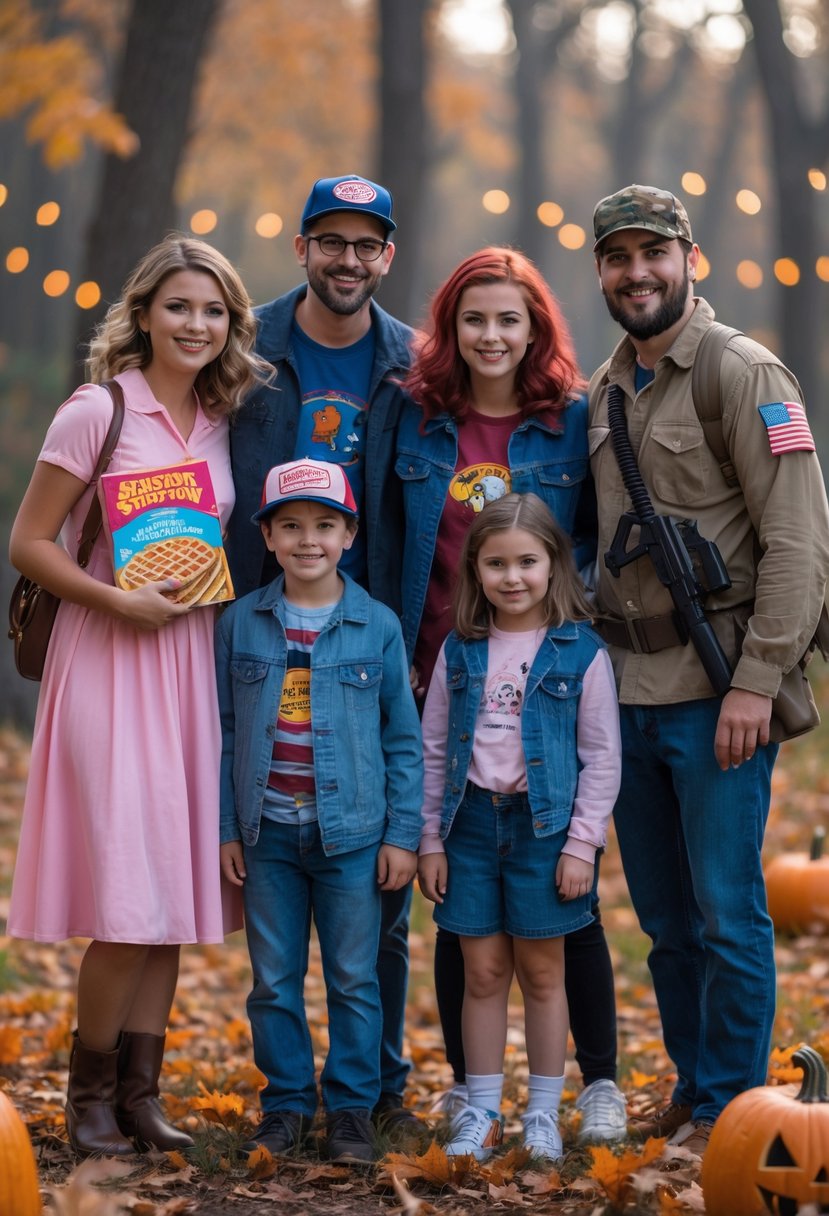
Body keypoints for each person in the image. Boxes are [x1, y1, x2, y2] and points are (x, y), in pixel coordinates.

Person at [6, 235, 268, 1157]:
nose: (196, 325)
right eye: (179, 307)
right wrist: (117, 597)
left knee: (171, 891)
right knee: (127, 891)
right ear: (144, 313)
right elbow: (29, 543)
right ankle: (87, 1098)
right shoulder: (98, 411)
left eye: (214, 311)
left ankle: (140, 1096)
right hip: (110, 660)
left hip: (190, 662)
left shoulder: (221, 419)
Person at [588, 183, 829, 1156]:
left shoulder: (746, 373)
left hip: (715, 693)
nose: (636, 272)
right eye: (618, 257)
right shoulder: (606, 389)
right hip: (627, 695)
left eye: (654, 253)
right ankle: (695, 1090)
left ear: (689, 257)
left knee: (729, 910)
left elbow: (797, 541)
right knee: (665, 919)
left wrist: (756, 680)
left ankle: (733, 1104)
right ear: (601, 270)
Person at [397, 247, 628, 1142]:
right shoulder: (413, 417)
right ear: (449, 328)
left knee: (554, 938)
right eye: (473, 318)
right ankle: (474, 1093)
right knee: (469, 939)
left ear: (535, 329)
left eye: (509, 318)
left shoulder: (569, 422)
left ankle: (581, 1087)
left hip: (549, 691)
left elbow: (593, 534)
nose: (490, 335)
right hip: (441, 658)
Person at [225, 175, 418, 1128]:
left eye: (366, 245)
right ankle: (292, 1101)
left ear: (387, 256)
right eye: (330, 241)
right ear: (301, 246)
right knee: (277, 963)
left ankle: (371, 1092)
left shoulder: (412, 365)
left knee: (370, 927)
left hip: (371, 634)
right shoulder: (244, 347)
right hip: (253, 623)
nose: (348, 260)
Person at [216, 458, 423, 1165]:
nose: (309, 540)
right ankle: (285, 1106)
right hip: (267, 830)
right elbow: (226, 732)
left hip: (354, 838)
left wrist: (402, 836)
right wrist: (225, 829)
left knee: (354, 977)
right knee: (273, 980)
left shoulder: (378, 627)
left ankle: (352, 1111)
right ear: (268, 537)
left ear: (348, 535)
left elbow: (403, 740)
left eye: (325, 526)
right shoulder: (241, 622)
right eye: (291, 526)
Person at [418, 493, 621, 1161]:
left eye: (527, 562)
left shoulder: (580, 653)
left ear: (553, 565)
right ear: (474, 570)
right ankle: (479, 1109)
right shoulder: (459, 650)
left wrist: (581, 844)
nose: (512, 578)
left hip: (544, 832)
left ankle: (540, 1112)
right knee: (479, 973)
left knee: (541, 973)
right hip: (470, 826)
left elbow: (601, 757)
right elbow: (433, 748)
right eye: (495, 563)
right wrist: (429, 840)